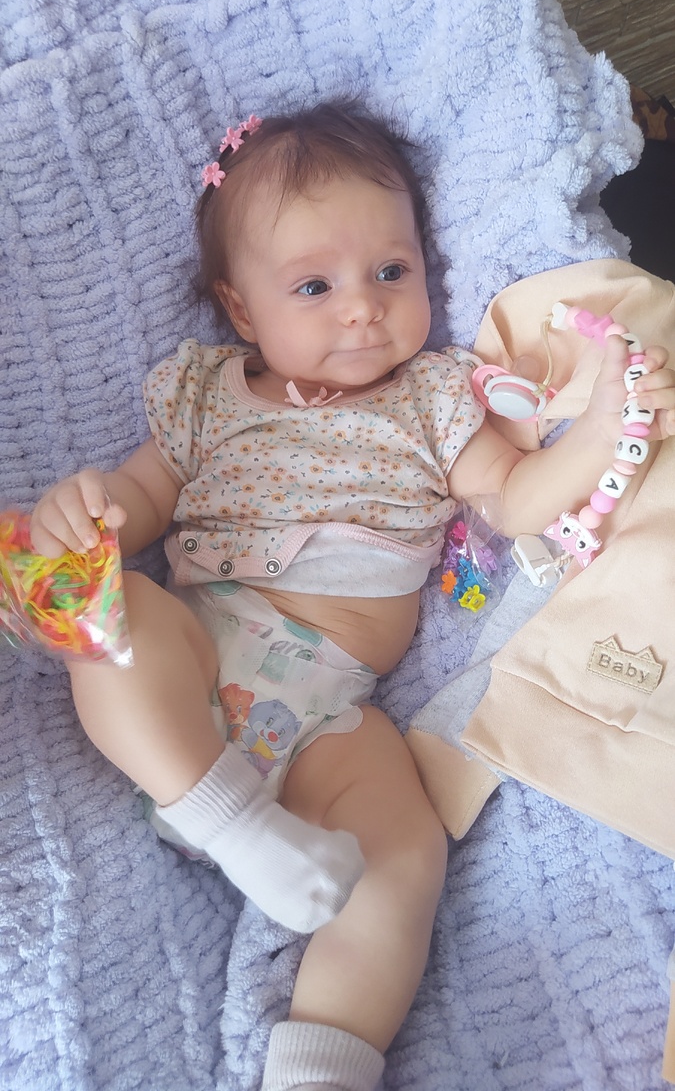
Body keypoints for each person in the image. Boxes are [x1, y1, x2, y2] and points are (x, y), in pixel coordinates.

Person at [30, 102, 675, 1091]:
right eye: (314, 286)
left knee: (405, 849)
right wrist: (84, 513)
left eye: (391, 272)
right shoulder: (203, 397)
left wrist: (597, 428)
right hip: (197, 661)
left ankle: (325, 1062)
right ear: (242, 310)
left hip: (329, 708)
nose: (363, 308)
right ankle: (227, 820)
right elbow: (139, 500)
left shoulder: (434, 400)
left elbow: (514, 497)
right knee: (111, 612)